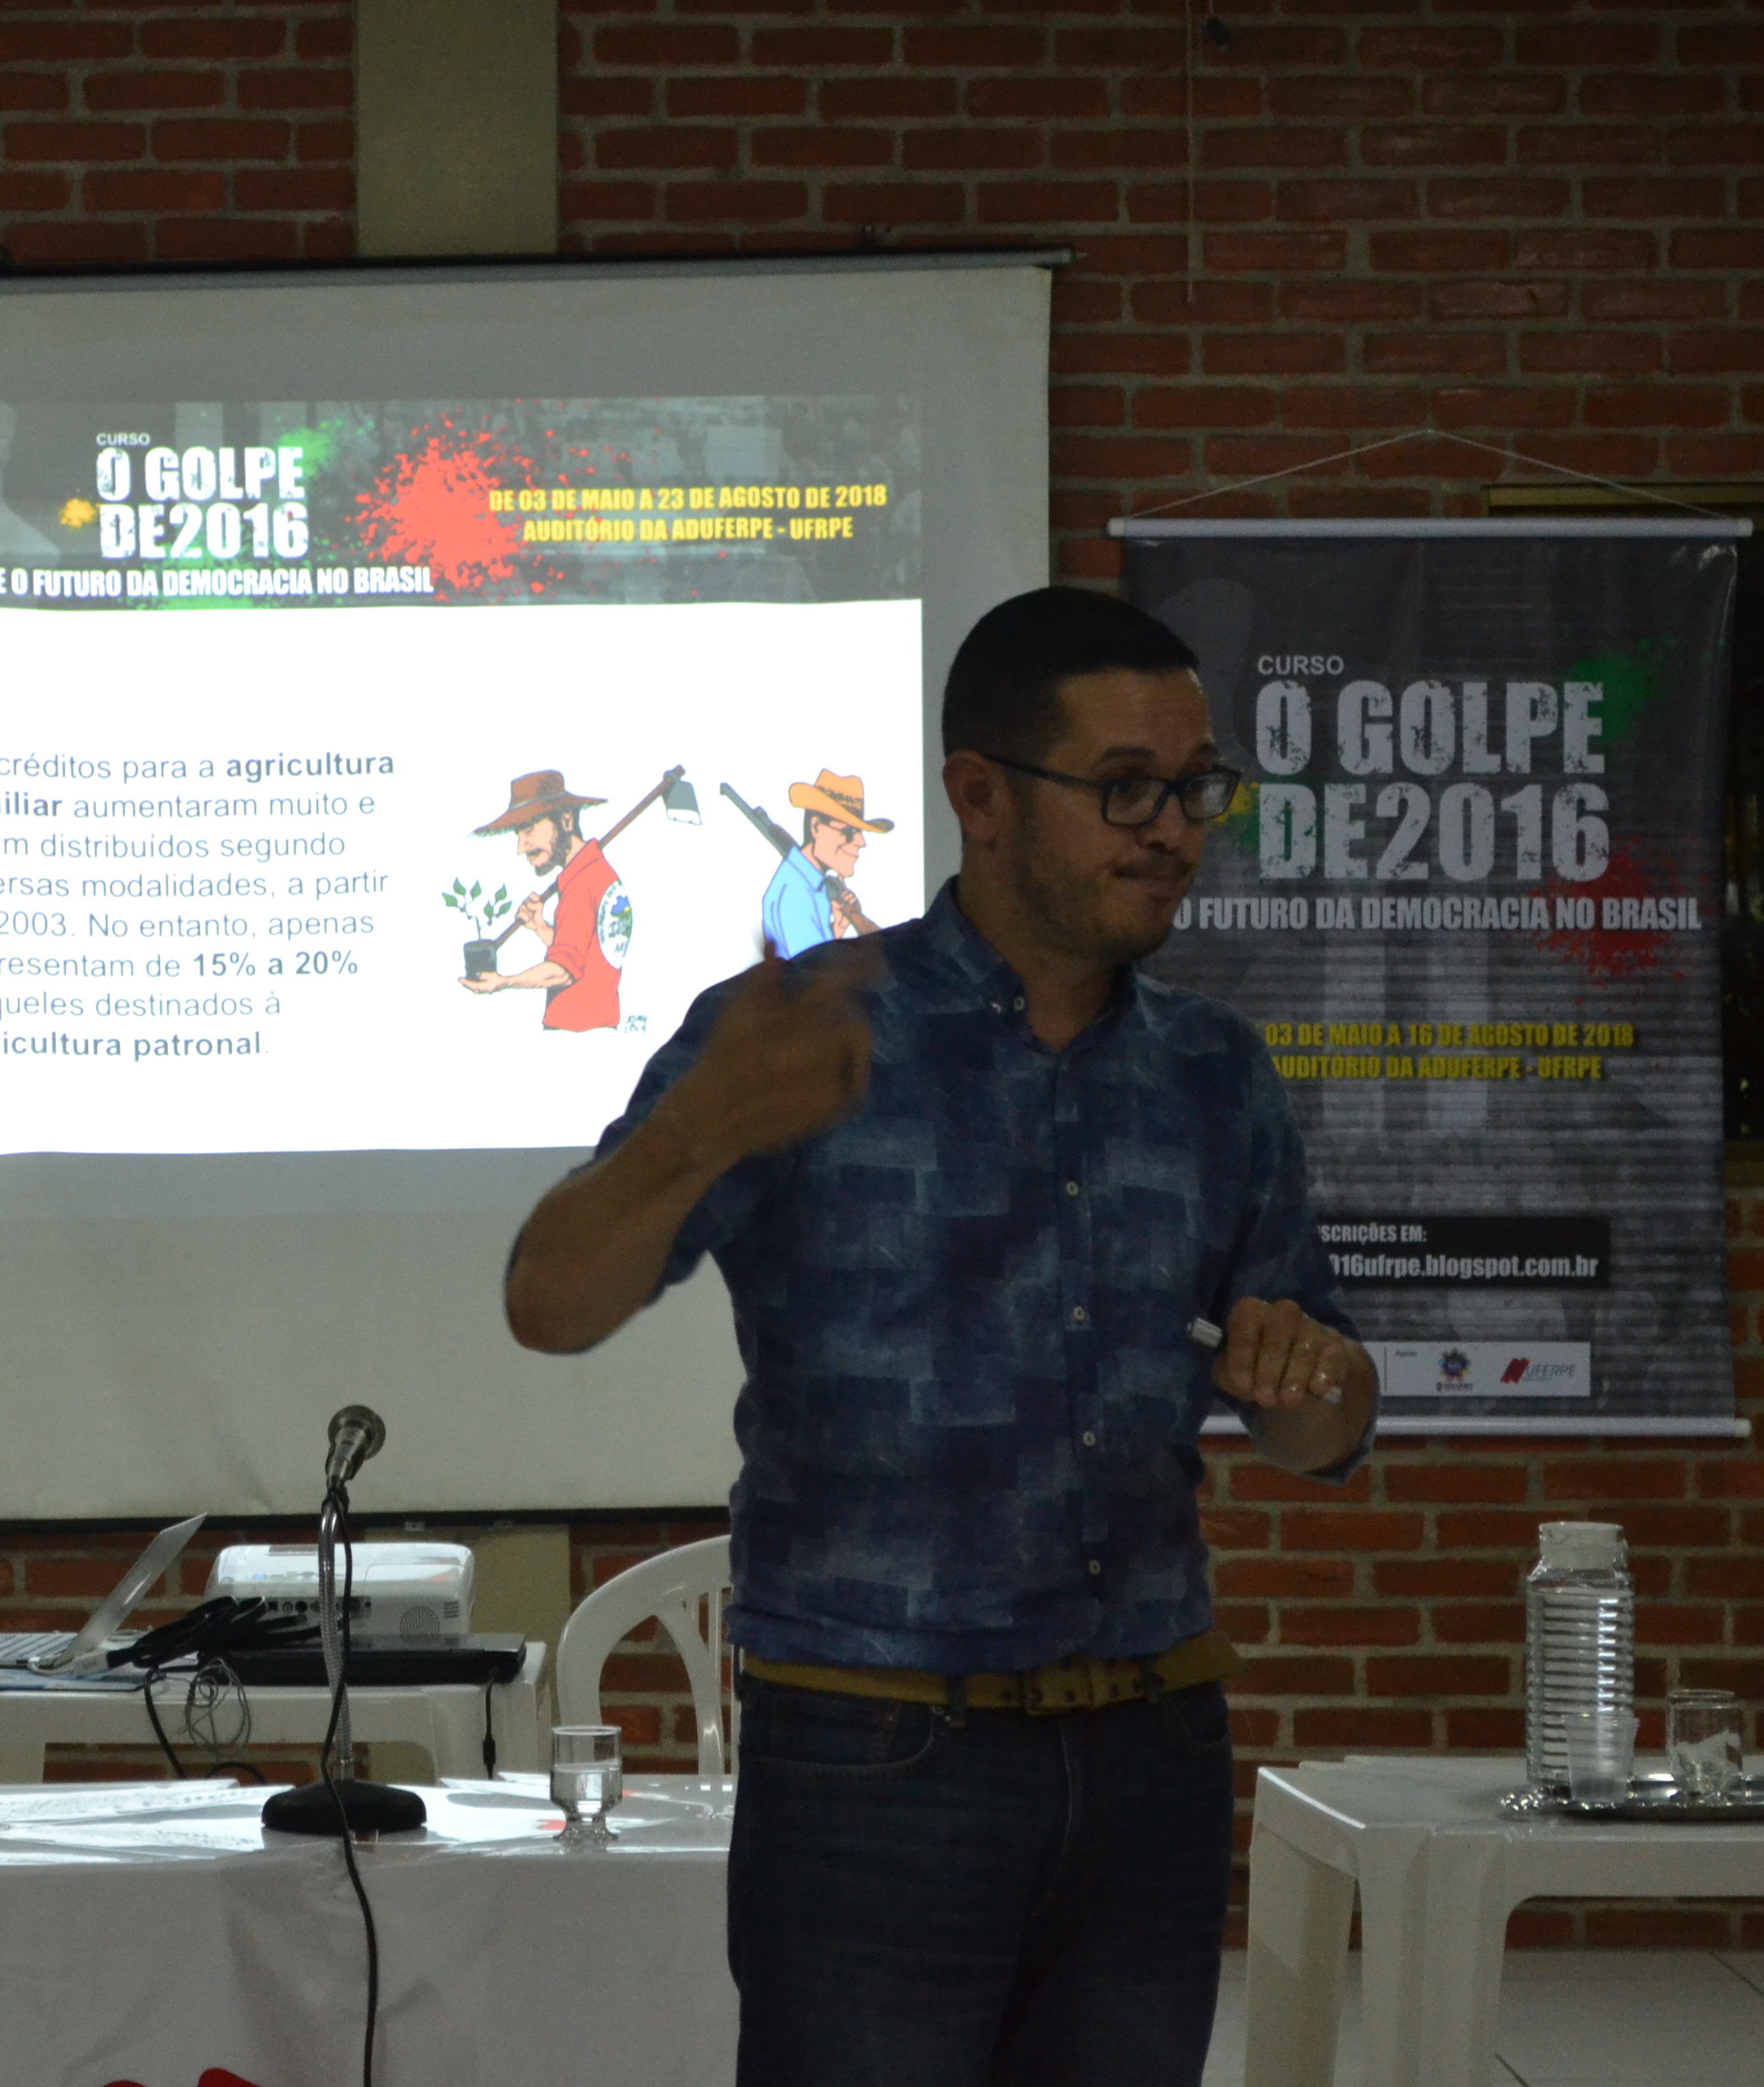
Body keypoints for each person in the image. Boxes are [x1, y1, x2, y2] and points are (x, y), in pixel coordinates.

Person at [502, 587, 1377, 2087]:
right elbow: (549, 1302)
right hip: (875, 1757)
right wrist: (695, 1131)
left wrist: (1314, 1379)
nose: (1172, 829)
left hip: (1152, 1748)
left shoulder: (1214, 1072)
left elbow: (1322, 1416)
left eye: (1195, 788)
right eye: (1125, 788)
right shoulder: (807, 1035)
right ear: (980, 794)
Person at [460, 768, 628, 1032]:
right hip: (597, 1025)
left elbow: (563, 971)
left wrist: (504, 982)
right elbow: (584, 957)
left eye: (528, 830)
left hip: (575, 1032)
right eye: (519, 834)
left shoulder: (582, 884)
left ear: (566, 820)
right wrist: (541, 927)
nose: (521, 848)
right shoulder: (597, 874)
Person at [759, 767, 891, 954]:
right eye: (849, 831)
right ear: (816, 827)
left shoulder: (813, 886)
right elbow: (815, 970)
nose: (861, 842)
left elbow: (815, 960)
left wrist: (838, 927)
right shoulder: (796, 892)